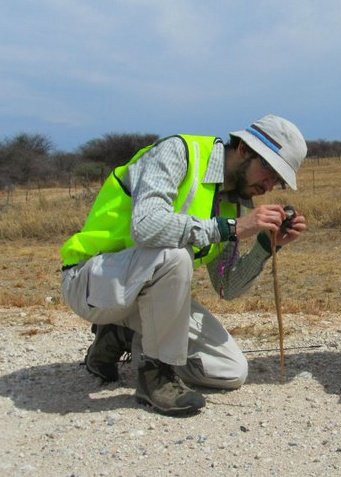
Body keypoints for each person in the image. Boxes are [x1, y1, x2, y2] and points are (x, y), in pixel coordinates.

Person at [60, 114, 307, 415]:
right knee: (174, 253)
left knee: (229, 371)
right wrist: (230, 227)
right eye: (269, 171)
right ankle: (156, 376)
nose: (269, 186)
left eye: (278, 181)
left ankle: (120, 335)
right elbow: (146, 226)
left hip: (146, 295)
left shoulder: (236, 202)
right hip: (92, 282)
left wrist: (268, 246)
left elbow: (226, 285)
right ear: (243, 149)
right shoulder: (178, 153)